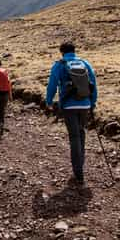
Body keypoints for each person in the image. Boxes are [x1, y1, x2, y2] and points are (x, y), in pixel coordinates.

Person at [45, 42, 97, 185]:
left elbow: (52, 84)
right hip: (85, 104)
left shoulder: (59, 65)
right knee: (81, 134)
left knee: (74, 136)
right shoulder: (84, 63)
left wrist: (49, 101)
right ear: (74, 51)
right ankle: (80, 164)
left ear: (61, 52)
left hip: (68, 105)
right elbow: (93, 83)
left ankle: (78, 171)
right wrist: (92, 102)